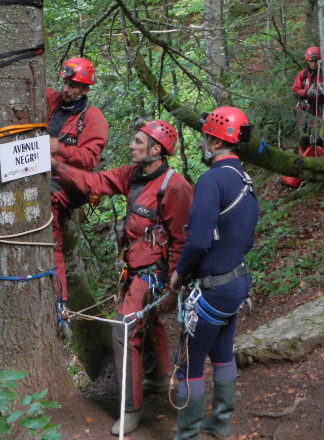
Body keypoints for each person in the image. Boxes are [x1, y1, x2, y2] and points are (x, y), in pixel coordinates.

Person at [51, 119, 193, 436]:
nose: (131, 145)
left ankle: (130, 409)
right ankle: (158, 377)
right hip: (133, 269)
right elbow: (93, 182)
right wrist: (56, 165)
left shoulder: (175, 187)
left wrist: (173, 287)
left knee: (123, 331)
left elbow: (182, 242)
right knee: (149, 320)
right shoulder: (132, 175)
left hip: (154, 274)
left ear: (156, 150)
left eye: (138, 142)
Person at [168, 107, 259, 440]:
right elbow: (246, 238)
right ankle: (220, 422)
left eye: (205, 137)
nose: (203, 142)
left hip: (214, 288)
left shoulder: (211, 180)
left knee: (188, 364)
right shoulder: (244, 179)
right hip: (236, 281)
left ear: (214, 141)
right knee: (221, 353)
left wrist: (179, 274)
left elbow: (198, 240)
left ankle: (188, 434)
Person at [47, 57, 108, 308]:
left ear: (84, 88)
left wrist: (60, 148)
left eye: (72, 85)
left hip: (72, 182)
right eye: (64, 83)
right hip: (46, 174)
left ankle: (59, 300)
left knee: (50, 225)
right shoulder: (53, 102)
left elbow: (89, 158)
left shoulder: (93, 117)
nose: (66, 89)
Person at [291, 46, 324, 153]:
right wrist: (306, 92)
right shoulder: (303, 74)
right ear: (308, 61)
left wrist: (322, 90)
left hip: (318, 109)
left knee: (318, 136)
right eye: (311, 61)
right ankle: (303, 154)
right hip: (304, 109)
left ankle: (319, 154)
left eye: (316, 61)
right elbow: (295, 91)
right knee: (303, 135)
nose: (313, 64)